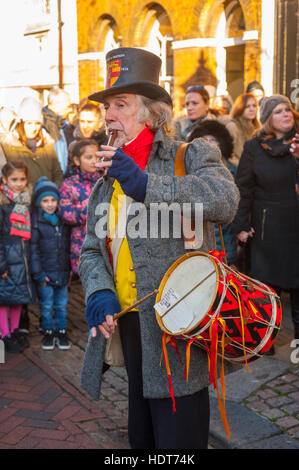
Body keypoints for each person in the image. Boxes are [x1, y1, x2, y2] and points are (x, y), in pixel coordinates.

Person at [79, 47, 240, 449]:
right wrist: (99, 291)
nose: (108, 115)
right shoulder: (105, 181)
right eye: (106, 106)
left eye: (121, 104)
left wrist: (146, 185)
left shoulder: (192, 152)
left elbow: (225, 200)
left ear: (151, 113)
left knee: (179, 443)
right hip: (131, 326)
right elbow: (91, 250)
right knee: (141, 441)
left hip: (180, 330)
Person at [231, 94, 299, 351]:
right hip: (268, 230)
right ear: (268, 119)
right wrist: (240, 225)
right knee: (267, 294)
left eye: (288, 109)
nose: (286, 114)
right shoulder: (254, 148)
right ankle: (264, 344)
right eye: (279, 111)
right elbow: (244, 188)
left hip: (296, 228)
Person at [187, 120, 237, 266]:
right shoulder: (189, 169)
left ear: (221, 142)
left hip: (226, 235)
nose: (208, 144)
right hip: (201, 235)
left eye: (212, 139)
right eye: (204, 140)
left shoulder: (232, 169)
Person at [31, 177, 71, 350]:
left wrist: (69, 269)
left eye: (53, 200)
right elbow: (33, 251)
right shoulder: (37, 223)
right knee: (46, 305)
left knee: (61, 305)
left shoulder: (63, 221)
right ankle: (48, 330)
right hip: (45, 274)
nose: (49, 204)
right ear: (39, 202)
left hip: (62, 272)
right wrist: (39, 273)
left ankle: (61, 330)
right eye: (45, 200)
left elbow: (69, 247)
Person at [0, 161, 34, 353]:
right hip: (7, 260)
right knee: (4, 299)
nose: (19, 183)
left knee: (18, 297)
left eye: (22, 179)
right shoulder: (3, 204)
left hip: (22, 259)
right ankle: (5, 334)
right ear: (5, 180)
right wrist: (1, 265)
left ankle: (15, 330)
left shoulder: (26, 201)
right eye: (14, 179)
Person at [0, 97, 63, 187]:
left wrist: (51, 191)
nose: (33, 128)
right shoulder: (7, 144)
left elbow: (57, 173)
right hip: (18, 199)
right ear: (21, 123)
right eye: (29, 123)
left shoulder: (47, 144)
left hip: (46, 198)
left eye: (37, 124)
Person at [59, 139, 100, 276]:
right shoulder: (70, 184)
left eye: (97, 156)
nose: (94, 160)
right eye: (89, 157)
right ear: (77, 160)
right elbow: (67, 213)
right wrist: (93, 209)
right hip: (81, 242)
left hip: (105, 240)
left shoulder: (106, 181)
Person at [42, 87, 72, 175]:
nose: (69, 108)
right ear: (53, 105)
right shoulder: (46, 124)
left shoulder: (61, 123)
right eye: (67, 104)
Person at [225, 93, 261, 166]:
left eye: (254, 106)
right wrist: (243, 168)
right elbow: (229, 155)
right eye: (247, 106)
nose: (252, 109)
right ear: (240, 108)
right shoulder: (233, 126)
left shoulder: (258, 128)